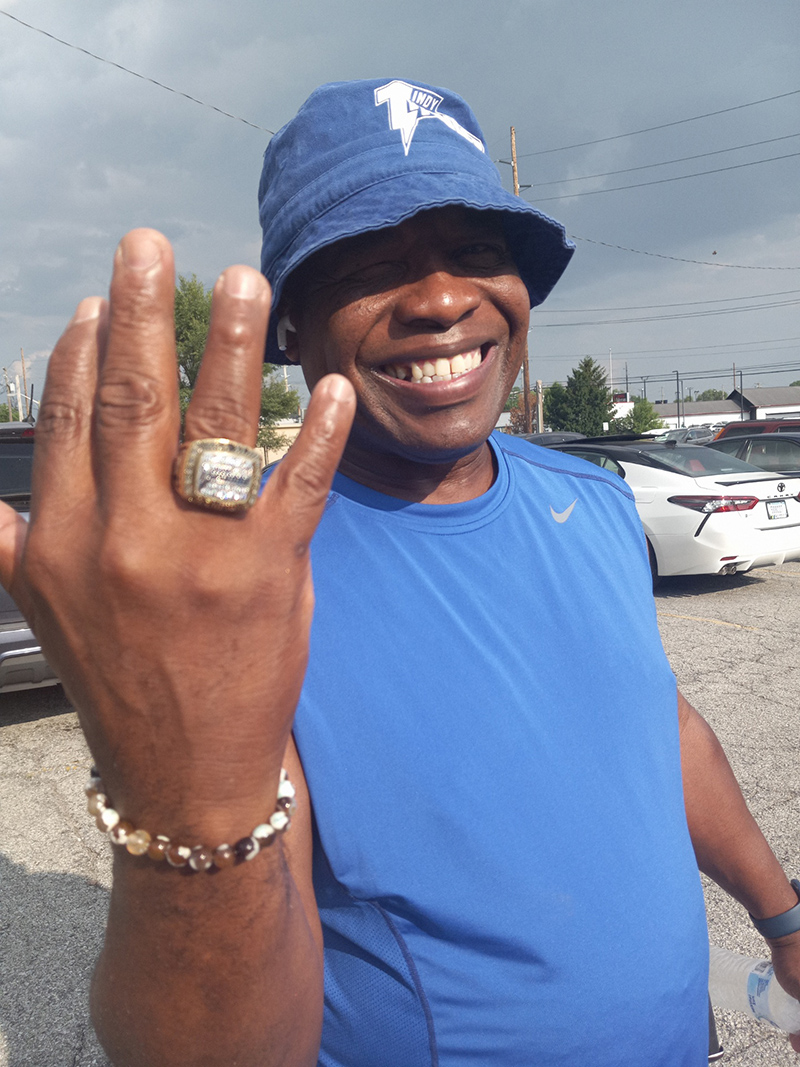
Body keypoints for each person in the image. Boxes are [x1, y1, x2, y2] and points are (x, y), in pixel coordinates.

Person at [0, 78, 798, 1067]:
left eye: (479, 252)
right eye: (371, 264)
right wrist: (181, 796)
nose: (442, 298)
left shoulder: (593, 503)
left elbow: (661, 727)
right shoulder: (240, 580)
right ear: (291, 326)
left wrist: (782, 915)